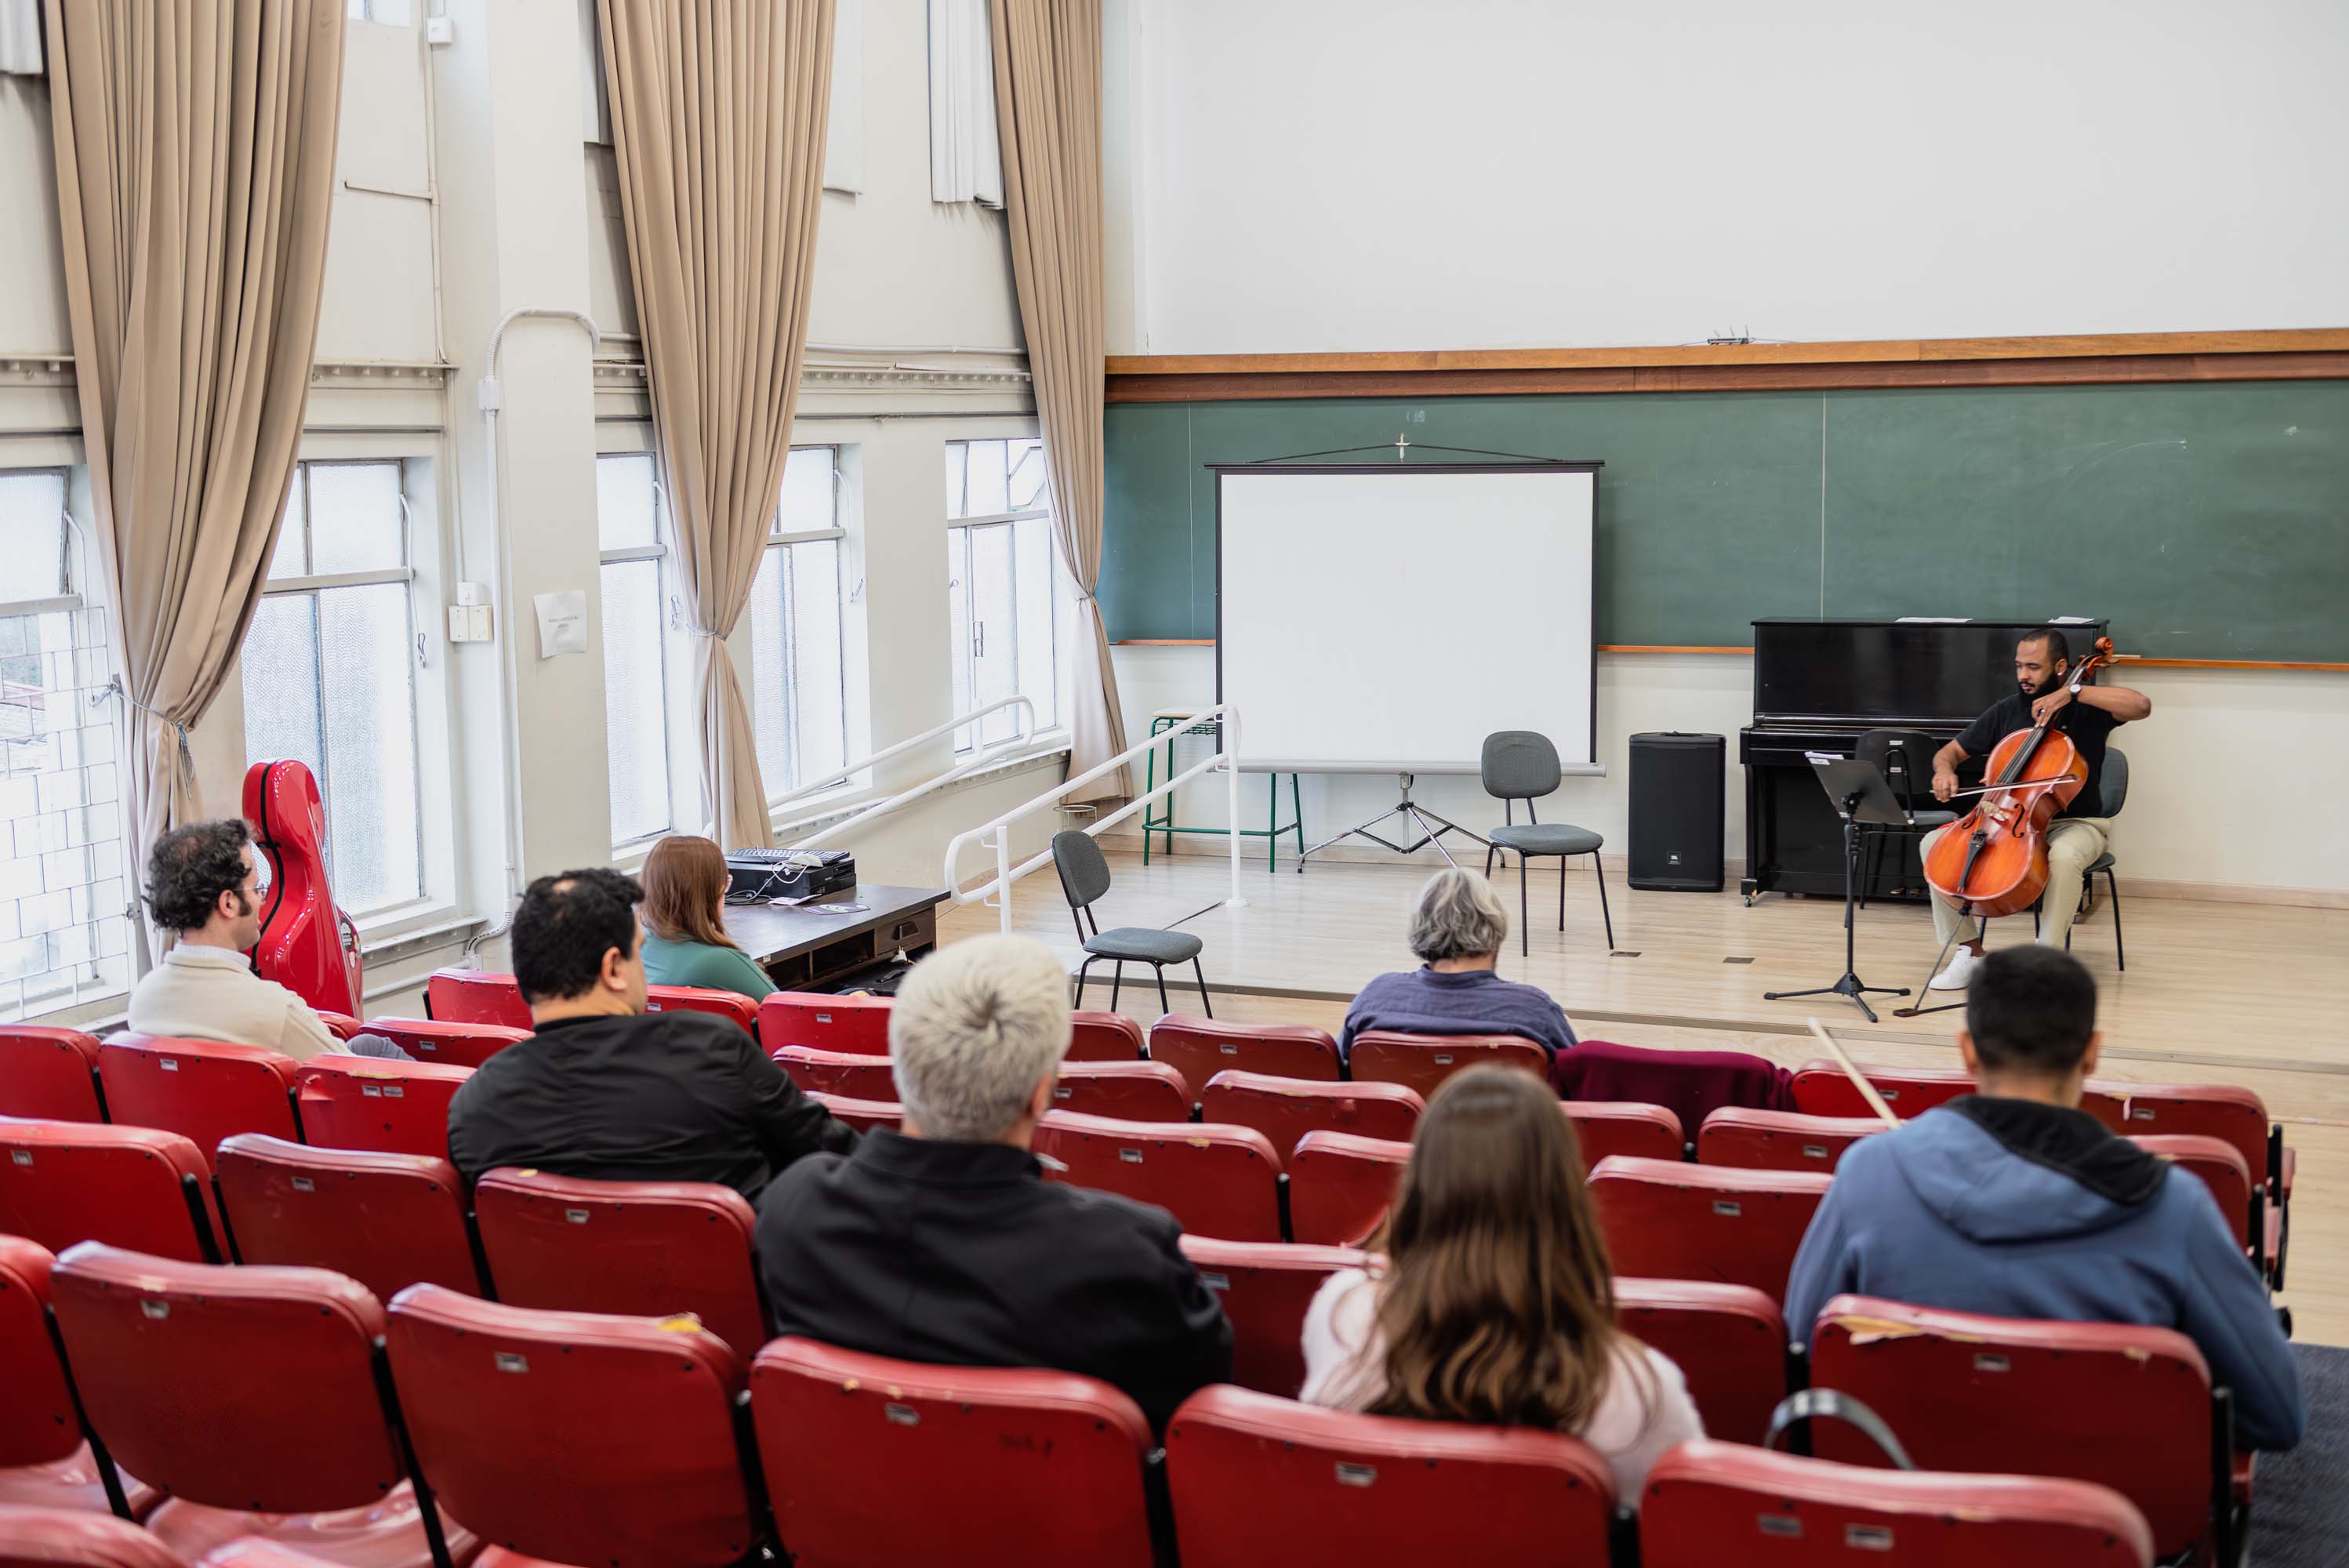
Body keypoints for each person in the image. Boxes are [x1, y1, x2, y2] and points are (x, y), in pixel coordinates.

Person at [1783, 946, 2302, 1451]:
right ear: (2092, 1053)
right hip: (2105, 1504)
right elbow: (2275, 1414)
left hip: (1902, 1495)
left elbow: (1799, 1355)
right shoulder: (2172, 1206)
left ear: (1967, 1050)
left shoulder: (1869, 1172)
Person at [757, 933, 1233, 1433]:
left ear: (902, 1073)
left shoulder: (793, 1211)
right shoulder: (1126, 1256)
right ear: (1041, 1094)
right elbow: (1197, 1419)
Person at [1299, 1065, 1703, 1497]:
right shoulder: (1640, 1390)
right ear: (1565, 1199)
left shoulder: (1341, 1313)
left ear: (1419, 1188)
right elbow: (1688, 1518)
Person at [447, 867, 851, 1200]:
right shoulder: (710, 1049)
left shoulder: (475, 1105)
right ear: (613, 968)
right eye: (638, 951)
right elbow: (828, 1149)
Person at [1921, 626, 2151, 989]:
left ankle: (2046, 958)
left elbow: (2141, 706)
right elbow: (1949, 752)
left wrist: (2073, 692)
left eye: (2033, 667)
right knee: (1933, 845)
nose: (2023, 675)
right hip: (2008, 821)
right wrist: (1943, 771)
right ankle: (1969, 952)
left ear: (2060, 667)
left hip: (2077, 823)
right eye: (2019, 666)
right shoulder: (2007, 711)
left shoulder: (2089, 709)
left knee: (2064, 855)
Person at [126, 818, 358, 1062]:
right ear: (228, 903)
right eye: (256, 889)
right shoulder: (275, 1010)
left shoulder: (143, 1000)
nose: (262, 900)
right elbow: (350, 1073)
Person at [1339, 867, 1577, 1061]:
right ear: (1496, 928)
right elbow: (1577, 1086)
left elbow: (1337, 1078)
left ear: (1420, 925)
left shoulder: (1376, 999)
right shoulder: (1534, 1010)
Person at [637, 835, 778, 1000]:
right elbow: (780, 1008)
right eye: (725, 882)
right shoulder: (719, 961)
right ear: (711, 890)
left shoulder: (636, 945)